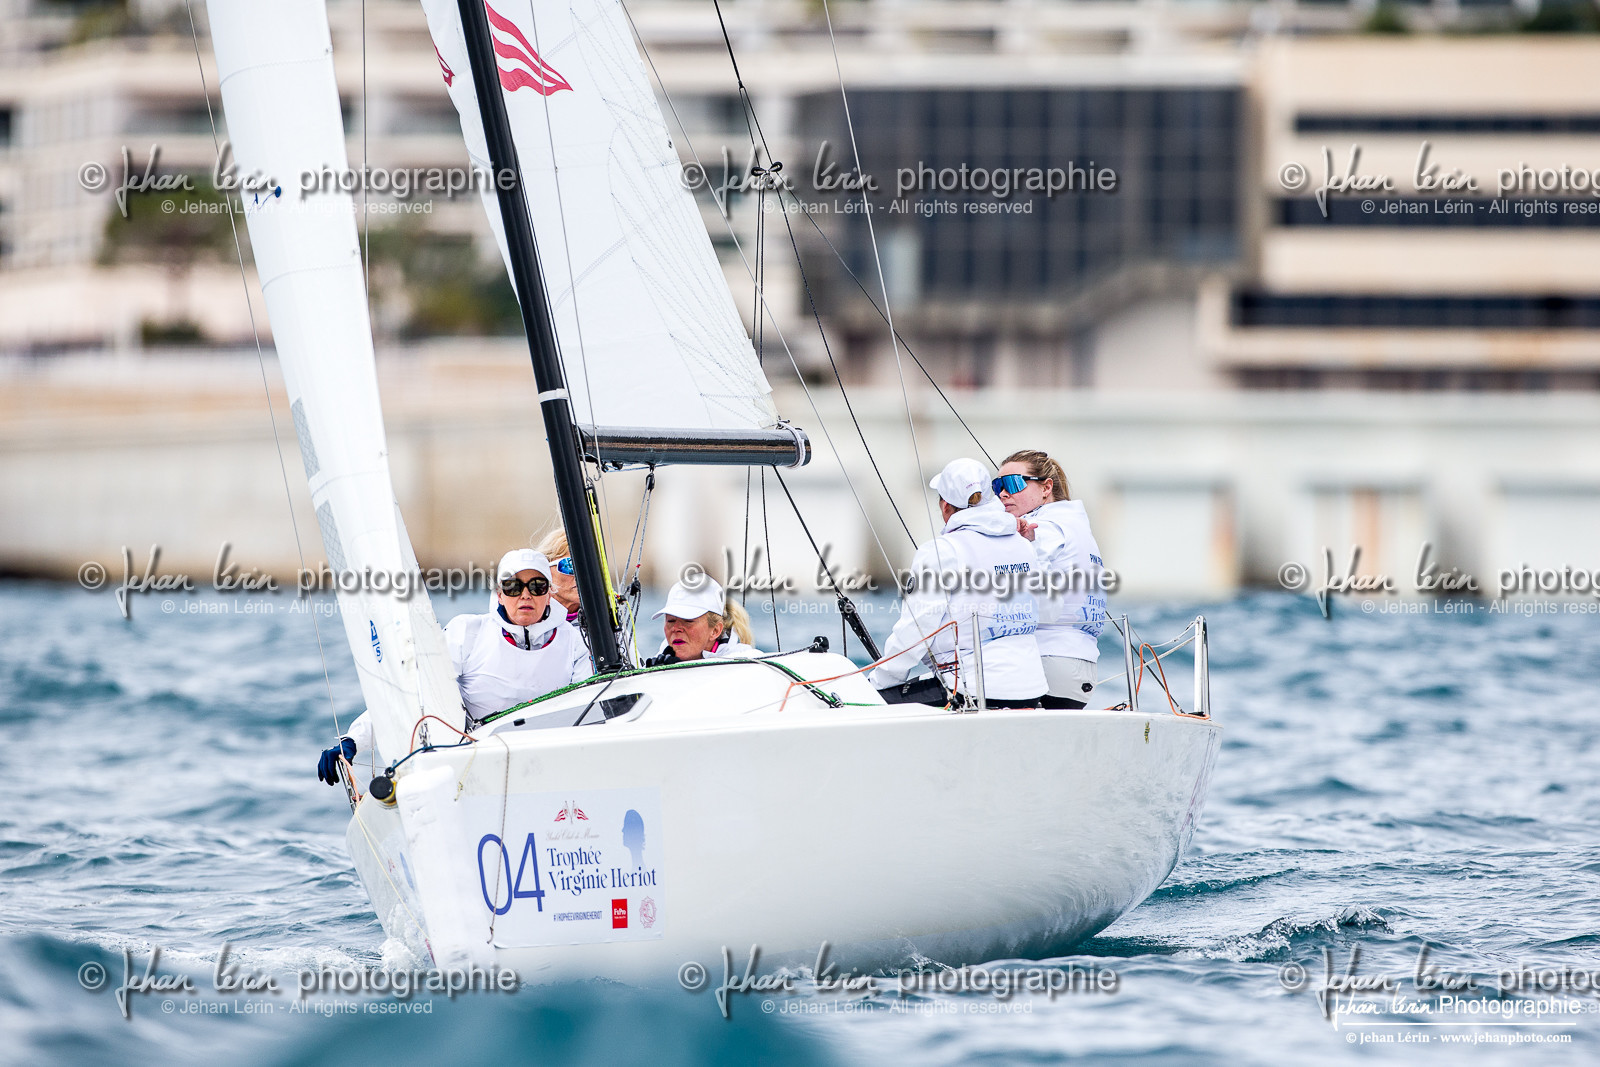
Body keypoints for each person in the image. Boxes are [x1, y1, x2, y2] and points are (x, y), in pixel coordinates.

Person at [316, 549, 592, 784]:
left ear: (549, 593)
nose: (525, 595)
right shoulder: (467, 632)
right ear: (499, 594)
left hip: (552, 764)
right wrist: (353, 740)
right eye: (512, 586)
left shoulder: (574, 641)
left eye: (537, 586)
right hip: (481, 766)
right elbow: (414, 692)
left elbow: (591, 709)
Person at [868, 458, 1047, 708]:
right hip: (1031, 689)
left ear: (945, 506)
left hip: (972, 690)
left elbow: (916, 630)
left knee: (870, 701)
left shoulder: (942, 551)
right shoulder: (1024, 545)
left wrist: (877, 683)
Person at [995, 449, 1107, 709]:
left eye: (1012, 483)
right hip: (1079, 664)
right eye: (997, 485)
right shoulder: (1075, 525)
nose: (1002, 493)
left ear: (1046, 487)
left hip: (1047, 662)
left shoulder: (1043, 528)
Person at [642, 574, 762, 666]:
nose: (675, 629)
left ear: (715, 631)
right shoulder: (656, 663)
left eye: (688, 620)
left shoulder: (748, 663)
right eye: (670, 621)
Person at [536, 529, 581, 626]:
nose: (581, 575)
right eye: (569, 565)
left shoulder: (606, 616)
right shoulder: (525, 614)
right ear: (545, 570)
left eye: (588, 566)